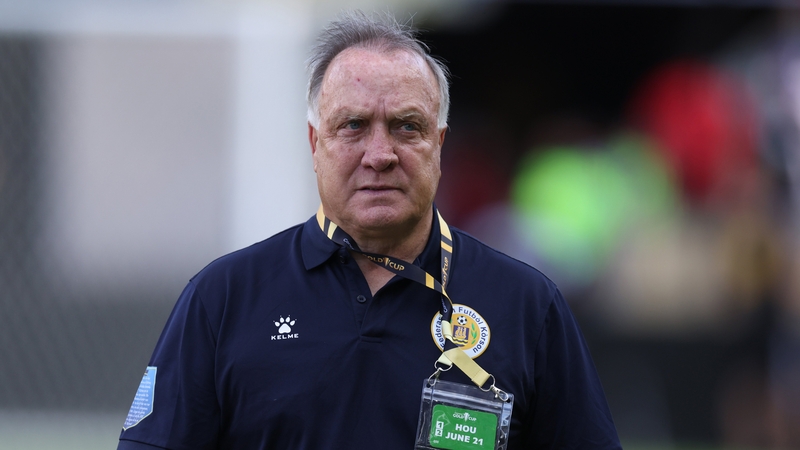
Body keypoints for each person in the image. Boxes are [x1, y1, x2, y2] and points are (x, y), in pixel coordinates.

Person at [117, 10, 621, 450]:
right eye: (353, 126)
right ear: (315, 143)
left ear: (439, 144)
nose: (380, 155)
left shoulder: (527, 305)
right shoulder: (223, 298)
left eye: (406, 126)